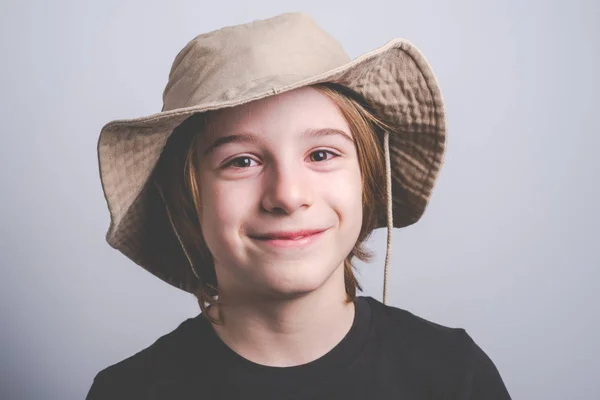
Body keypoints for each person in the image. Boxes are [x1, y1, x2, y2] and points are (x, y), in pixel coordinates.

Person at [87, 12, 511, 399]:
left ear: (367, 177)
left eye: (322, 154)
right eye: (241, 161)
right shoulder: (129, 391)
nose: (288, 195)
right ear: (187, 196)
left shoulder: (454, 377)